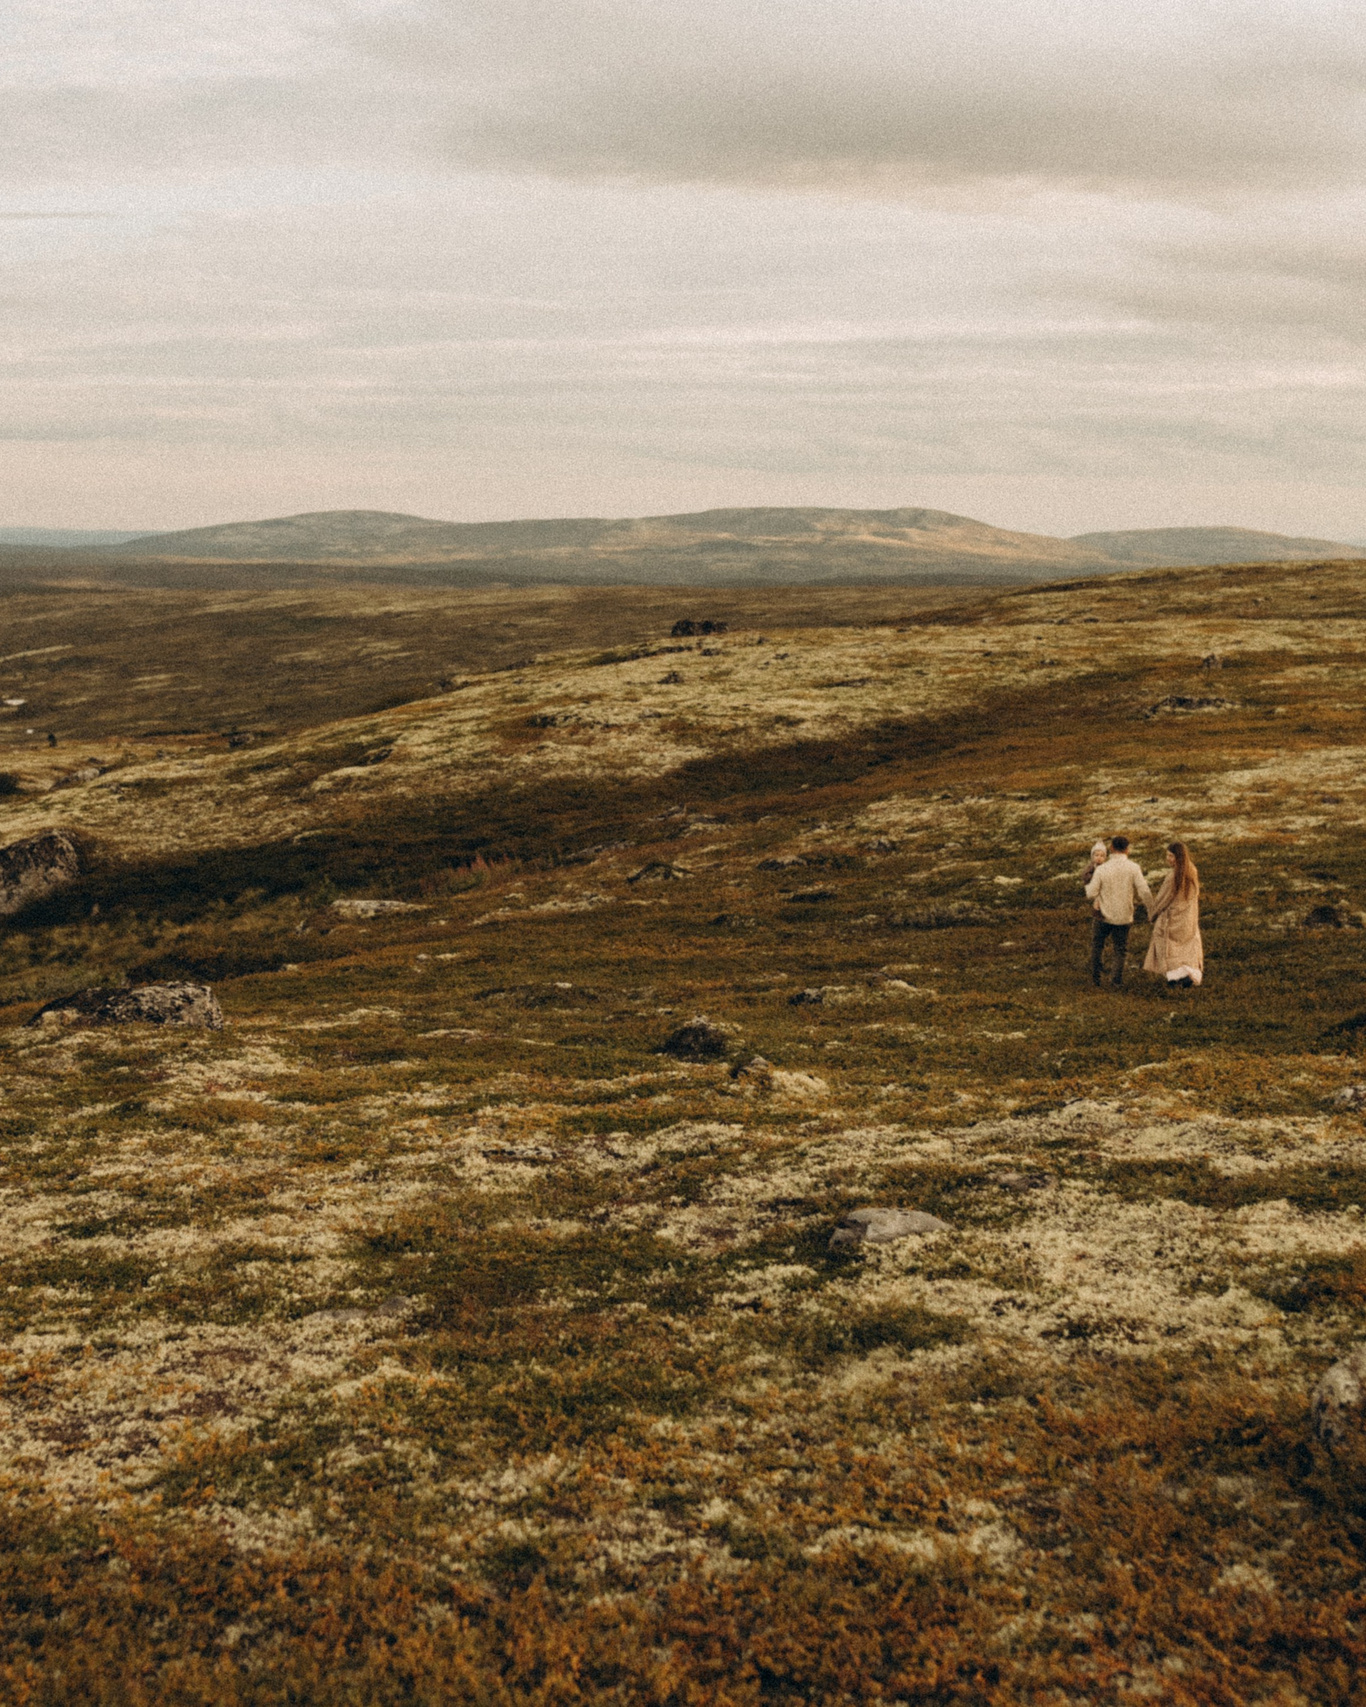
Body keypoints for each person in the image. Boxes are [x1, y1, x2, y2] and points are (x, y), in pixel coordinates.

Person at [1084, 835, 1154, 988]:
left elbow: (1090, 893)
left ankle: (1096, 978)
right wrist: (1151, 910)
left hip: (1103, 915)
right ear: (1127, 850)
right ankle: (1115, 981)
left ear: (1111, 849)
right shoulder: (1134, 868)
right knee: (1120, 949)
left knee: (1097, 945)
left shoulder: (1102, 869)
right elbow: (1144, 891)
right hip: (1124, 916)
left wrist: (1088, 882)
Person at [1145, 841, 1203, 988]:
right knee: (1186, 948)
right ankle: (1187, 976)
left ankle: (1174, 978)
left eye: (1171, 855)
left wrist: (1152, 914)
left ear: (1178, 856)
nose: (1168, 859)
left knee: (1167, 947)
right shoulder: (1192, 871)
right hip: (1188, 919)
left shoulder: (1173, 877)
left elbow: (1163, 899)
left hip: (1172, 919)